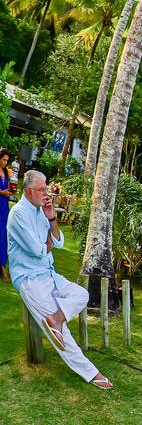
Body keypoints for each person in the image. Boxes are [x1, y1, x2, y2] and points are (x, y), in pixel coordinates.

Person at [7, 170, 113, 388]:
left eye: (46, 188)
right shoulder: (18, 214)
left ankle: (56, 318)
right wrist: (49, 243)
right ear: (28, 191)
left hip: (49, 273)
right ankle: (90, 373)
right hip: (29, 279)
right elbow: (38, 250)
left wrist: (52, 217)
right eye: (42, 189)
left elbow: (59, 241)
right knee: (61, 334)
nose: (47, 193)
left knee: (81, 294)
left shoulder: (41, 211)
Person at [0, 148, 13, 282]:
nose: (5, 162)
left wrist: (9, 191)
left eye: (7, 160)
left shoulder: (6, 172)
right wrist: (1, 192)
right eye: (4, 159)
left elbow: (7, 187)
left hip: (4, 206)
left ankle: (3, 265)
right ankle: (3, 269)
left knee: (4, 235)